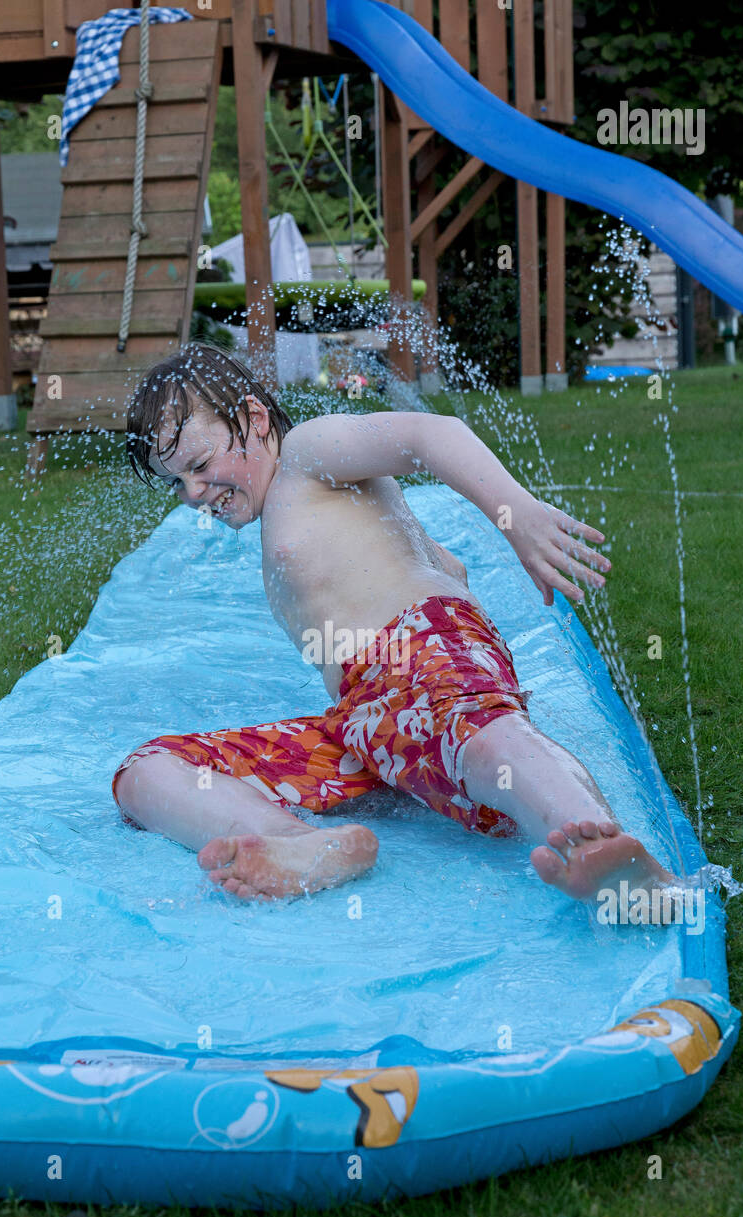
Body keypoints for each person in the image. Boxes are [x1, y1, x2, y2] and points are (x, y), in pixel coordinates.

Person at [112, 344, 679, 905]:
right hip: (370, 723)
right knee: (147, 771)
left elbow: (431, 434)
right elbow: (440, 564)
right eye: (175, 481)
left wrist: (516, 514)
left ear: (255, 420)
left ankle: (600, 846)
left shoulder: (306, 455)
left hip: (420, 656)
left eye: (200, 465)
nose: (190, 493)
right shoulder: (318, 512)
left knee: (480, 735)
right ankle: (299, 843)